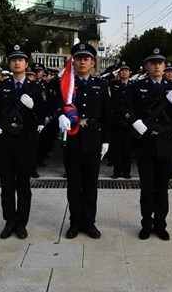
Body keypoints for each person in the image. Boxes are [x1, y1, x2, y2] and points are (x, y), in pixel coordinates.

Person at [122, 48, 172, 241]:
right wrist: (134, 121)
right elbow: (123, 106)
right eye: (153, 62)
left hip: (165, 143)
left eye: (160, 62)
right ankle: (146, 224)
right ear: (147, 66)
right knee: (147, 187)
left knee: (163, 187)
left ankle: (161, 224)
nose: (157, 66)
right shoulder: (136, 87)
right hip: (146, 143)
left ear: (165, 66)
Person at [0, 45, 45, 240]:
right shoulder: (1, 86)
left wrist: (34, 106)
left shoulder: (35, 87)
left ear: (26, 64)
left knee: (23, 185)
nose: (17, 62)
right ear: (9, 63)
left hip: (25, 142)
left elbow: (44, 113)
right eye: (13, 59)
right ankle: (9, 221)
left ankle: (21, 222)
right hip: (5, 142)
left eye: (20, 59)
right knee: (6, 185)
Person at [58, 42, 111, 240]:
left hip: (93, 139)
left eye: (86, 59)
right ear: (73, 62)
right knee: (74, 185)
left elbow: (107, 115)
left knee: (90, 185)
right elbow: (56, 105)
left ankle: (89, 223)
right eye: (78, 58)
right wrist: (59, 116)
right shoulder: (66, 84)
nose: (82, 62)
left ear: (92, 63)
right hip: (72, 139)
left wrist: (106, 140)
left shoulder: (102, 85)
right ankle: (74, 223)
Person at [109, 61, 134, 179]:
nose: (124, 72)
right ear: (118, 73)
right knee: (117, 148)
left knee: (128, 148)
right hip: (117, 120)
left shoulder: (134, 85)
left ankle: (126, 171)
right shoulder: (113, 85)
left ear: (130, 73)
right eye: (122, 70)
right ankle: (117, 171)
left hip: (129, 122)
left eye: (126, 70)